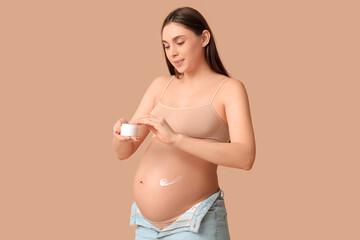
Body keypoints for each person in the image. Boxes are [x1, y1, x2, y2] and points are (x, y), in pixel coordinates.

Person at [112, 6, 256, 240]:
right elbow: (123, 152)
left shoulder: (229, 89)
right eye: (166, 45)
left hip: (195, 223)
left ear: (204, 38)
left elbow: (245, 157)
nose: (172, 52)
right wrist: (120, 137)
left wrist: (177, 139)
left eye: (180, 42)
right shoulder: (159, 85)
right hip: (145, 225)